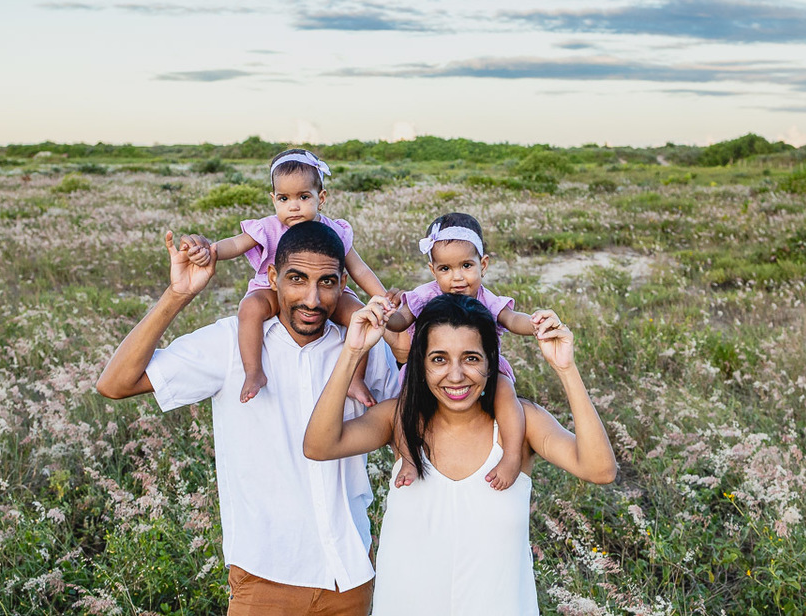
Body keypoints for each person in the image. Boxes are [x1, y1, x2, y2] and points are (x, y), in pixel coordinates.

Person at [96, 221, 401, 615]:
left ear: (344, 284)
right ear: (272, 277)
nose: (312, 298)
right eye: (296, 279)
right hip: (265, 576)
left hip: (350, 572)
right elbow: (115, 383)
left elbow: (402, 436)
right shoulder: (230, 343)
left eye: (327, 282)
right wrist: (178, 294)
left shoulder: (366, 346)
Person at [303, 293, 618, 616]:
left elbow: (600, 470)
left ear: (490, 361)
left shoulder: (520, 427)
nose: (455, 375)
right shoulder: (400, 420)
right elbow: (319, 445)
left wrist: (566, 369)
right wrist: (354, 351)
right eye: (439, 359)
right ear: (421, 363)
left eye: (471, 358)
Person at [186, 149, 391, 405]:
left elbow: (359, 269)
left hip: (327, 292)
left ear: (321, 197)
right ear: (273, 199)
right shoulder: (269, 227)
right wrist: (210, 250)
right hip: (270, 290)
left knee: (359, 317)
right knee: (249, 308)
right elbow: (237, 244)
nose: (293, 206)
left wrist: (382, 298)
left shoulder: (334, 230)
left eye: (303, 197)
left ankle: (355, 378)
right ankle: (254, 372)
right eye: (284, 198)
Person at [383, 212, 550, 490]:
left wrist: (535, 324)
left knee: (506, 390)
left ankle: (511, 456)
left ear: (483, 265)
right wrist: (385, 316)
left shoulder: (487, 298)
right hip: (430, 369)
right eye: (445, 269)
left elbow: (511, 319)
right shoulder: (426, 294)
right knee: (405, 404)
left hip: (480, 369)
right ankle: (409, 458)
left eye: (466, 266)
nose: (457, 277)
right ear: (433, 269)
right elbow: (402, 320)